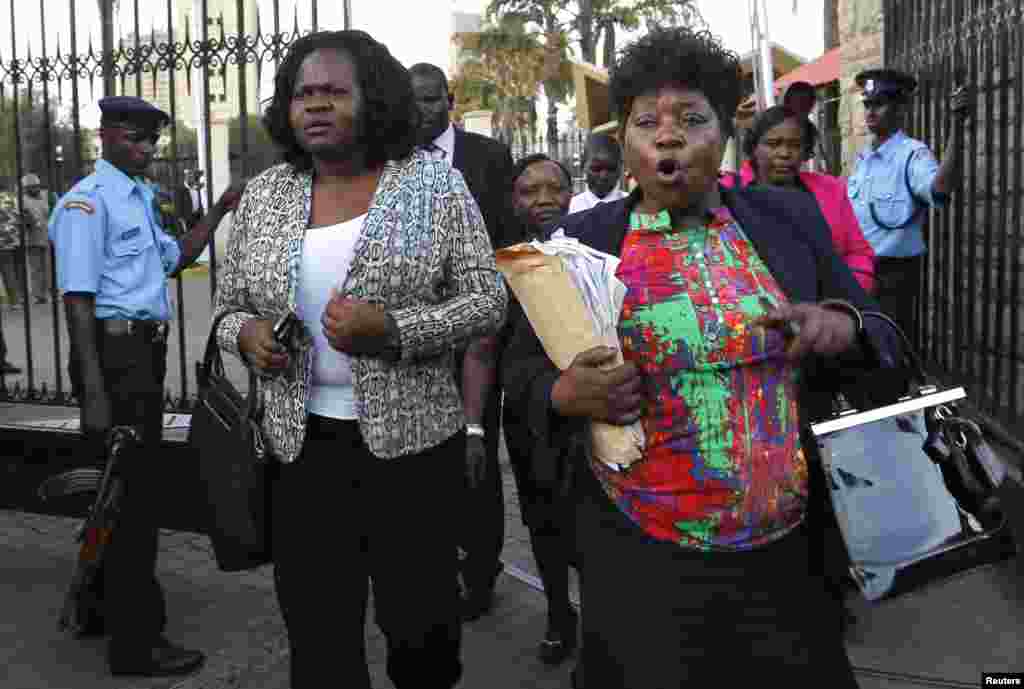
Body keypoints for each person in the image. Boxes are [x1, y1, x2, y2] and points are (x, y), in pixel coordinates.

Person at [502, 27, 907, 687]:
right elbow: (518, 376)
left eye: (692, 120)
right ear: (623, 139)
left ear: (723, 135)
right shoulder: (578, 242)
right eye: (646, 122)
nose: (668, 137)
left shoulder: (785, 221)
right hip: (639, 559)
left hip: (786, 559)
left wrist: (844, 324)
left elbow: (883, 330)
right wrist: (565, 394)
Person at [211, 31, 505, 689]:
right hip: (300, 452)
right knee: (318, 633)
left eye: (333, 92)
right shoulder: (265, 195)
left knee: (422, 632)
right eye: (301, 94)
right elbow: (225, 309)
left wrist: (395, 329)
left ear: (371, 99)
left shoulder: (432, 184)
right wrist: (249, 333)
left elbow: (488, 301)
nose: (314, 106)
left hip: (412, 453)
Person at [48, 95, 245, 678]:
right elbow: (77, 302)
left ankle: (100, 610)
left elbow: (173, 259)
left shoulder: (137, 199)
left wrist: (220, 212)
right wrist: (94, 390)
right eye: (136, 138)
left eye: (153, 140)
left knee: (119, 491)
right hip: (113, 359)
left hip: (140, 357)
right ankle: (137, 644)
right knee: (131, 503)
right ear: (106, 135)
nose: (148, 149)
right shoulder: (87, 203)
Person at [409, 60, 516, 621]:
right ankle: (429, 564)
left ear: (448, 100)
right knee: (422, 455)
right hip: (415, 336)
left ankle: (480, 571)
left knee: (475, 451)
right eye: (411, 101)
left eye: (429, 100)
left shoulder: (489, 159)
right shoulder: (393, 160)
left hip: (478, 331)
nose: (420, 111)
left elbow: (506, 242)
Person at [471, 153, 581, 668]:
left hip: (593, 407)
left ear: (570, 191)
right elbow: (484, 349)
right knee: (542, 517)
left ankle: (606, 619)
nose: (542, 199)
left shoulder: (593, 248)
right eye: (528, 190)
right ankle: (560, 613)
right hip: (528, 413)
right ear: (513, 201)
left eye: (553, 188)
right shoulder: (503, 262)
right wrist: (474, 426)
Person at [847, 68, 971, 338]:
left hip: (893, 275)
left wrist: (957, 126)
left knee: (891, 351)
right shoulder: (863, 158)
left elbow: (939, 189)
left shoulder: (912, 154)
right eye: (867, 104)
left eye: (878, 104)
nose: (870, 112)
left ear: (899, 109)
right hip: (859, 269)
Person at [721, 105, 875, 293]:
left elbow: (858, 253)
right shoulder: (729, 191)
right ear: (754, 148)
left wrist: (849, 297)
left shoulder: (831, 190)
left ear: (806, 150)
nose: (785, 153)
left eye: (795, 145)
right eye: (773, 144)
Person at [568, 133, 626, 214]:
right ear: (583, 166)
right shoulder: (570, 208)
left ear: (621, 167)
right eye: (596, 168)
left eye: (611, 168)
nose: (603, 176)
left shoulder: (636, 207)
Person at [20, 173, 53, 304]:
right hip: (32, 238)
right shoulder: (22, 200)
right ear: (25, 188)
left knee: (49, 266)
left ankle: (50, 291)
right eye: (30, 187)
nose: (34, 189)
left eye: (36, 186)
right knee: (35, 268)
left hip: (47, 236)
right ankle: (39, 295)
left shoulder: (45, 196)